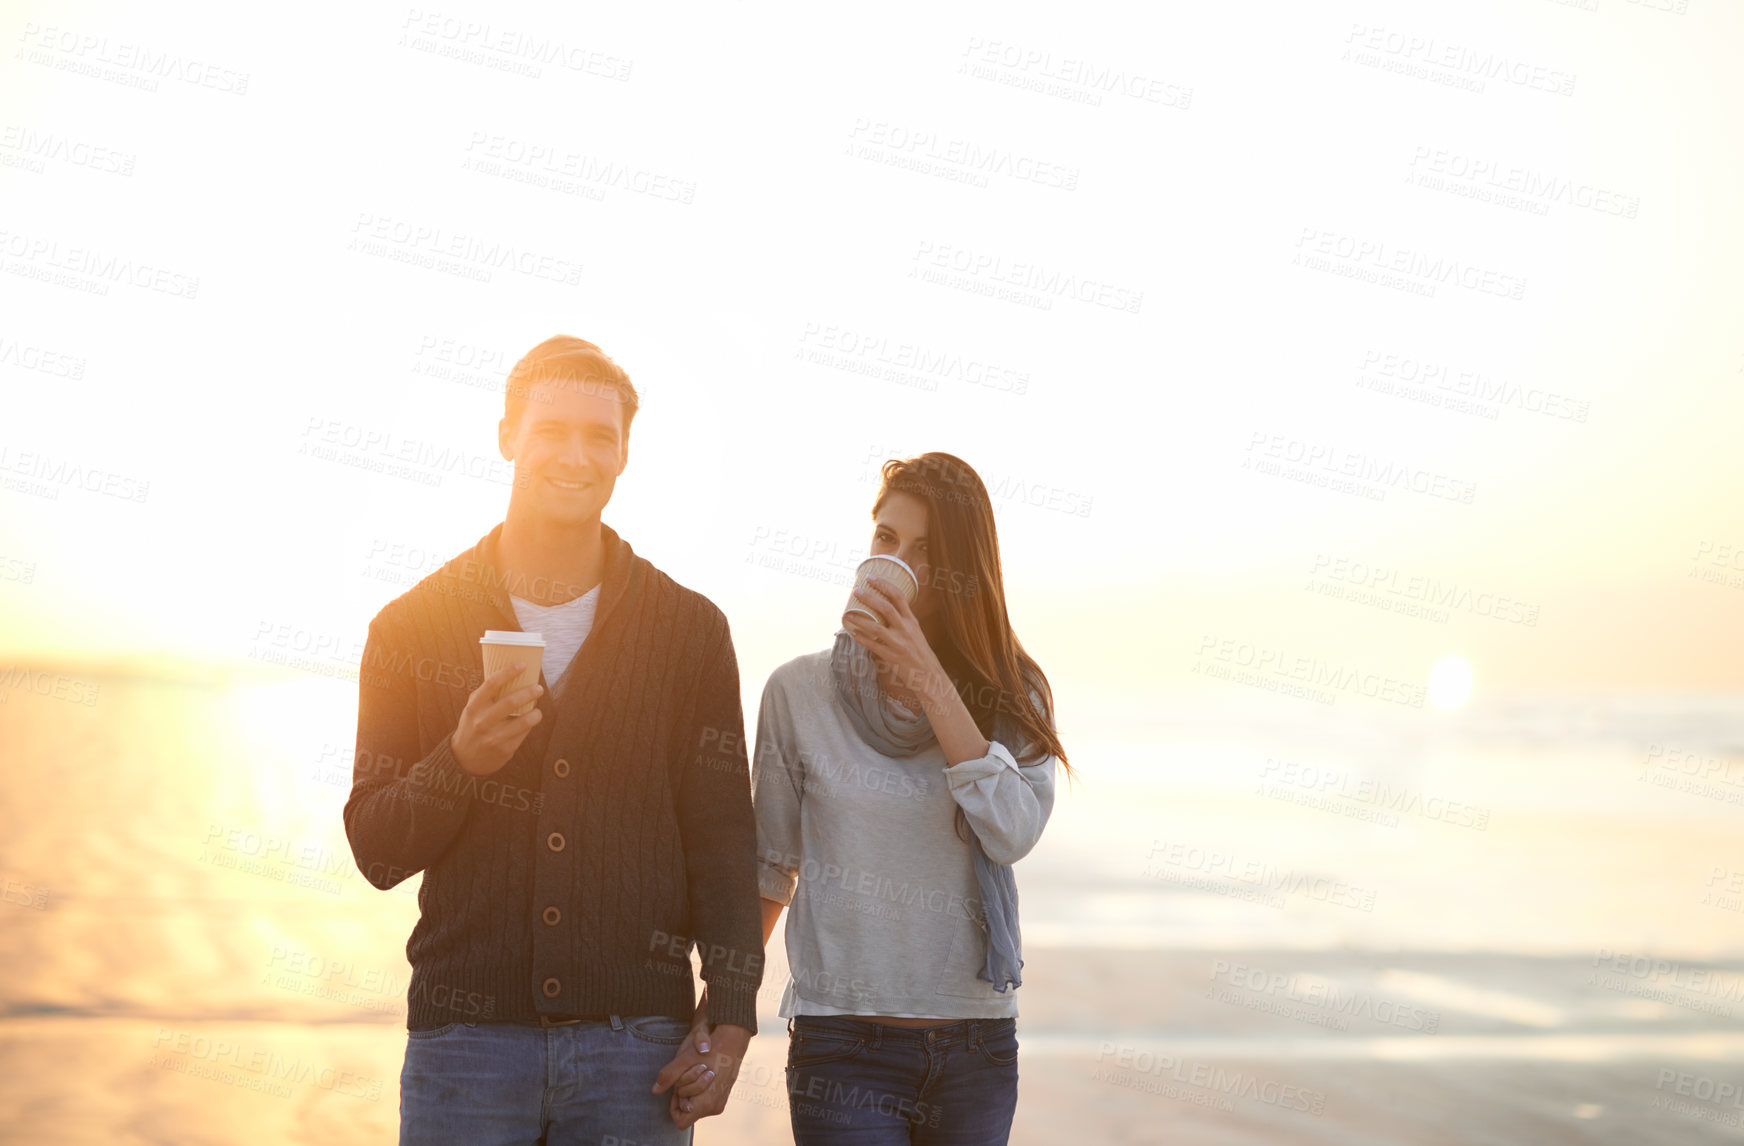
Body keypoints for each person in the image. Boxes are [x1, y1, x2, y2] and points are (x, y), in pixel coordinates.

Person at [343, 335, 763, 1145]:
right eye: (552, 430)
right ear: (507, 436)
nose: (576, 455)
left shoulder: (690, 632)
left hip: (637, 1047)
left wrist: (733, 1022)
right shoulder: (408, 627)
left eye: (599, 436)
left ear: (625, 453)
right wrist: (459, 762)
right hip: (464, 1048)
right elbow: (376, 850)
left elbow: (721, 838)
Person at [752, 451, 1071, 1144]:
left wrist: (930, 680)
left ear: (965, 572)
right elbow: (770, 867)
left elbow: (1011, 833)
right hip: (842, 1044)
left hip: (976, 1048)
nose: (899, 563)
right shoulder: (797, 694)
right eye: (886, 540)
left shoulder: (1014, 698)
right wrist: (719, 1017)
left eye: (927, 551)